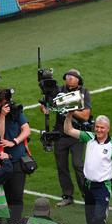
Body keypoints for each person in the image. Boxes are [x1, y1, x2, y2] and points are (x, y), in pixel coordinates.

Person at [41, 69, 92, 207]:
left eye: (72, 77)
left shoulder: (84, 93)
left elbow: (86, 116)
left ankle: (87, 194)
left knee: (78, 164)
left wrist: (69, 108)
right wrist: (45, 106)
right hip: (60, 134)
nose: (68, 79)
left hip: (76, 134)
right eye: (67, 77)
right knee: (61, 166)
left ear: (78, 80)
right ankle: (67, 195)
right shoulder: (59, 90)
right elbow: (48, 105)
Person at [0, 90, 31, 224]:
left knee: (16, 196)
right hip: (2, 162)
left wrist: (15, 141)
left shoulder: (17, 112)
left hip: (17, 160)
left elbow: (26, 130)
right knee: (2, 196)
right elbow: (0, 135)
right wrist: (3, 116)